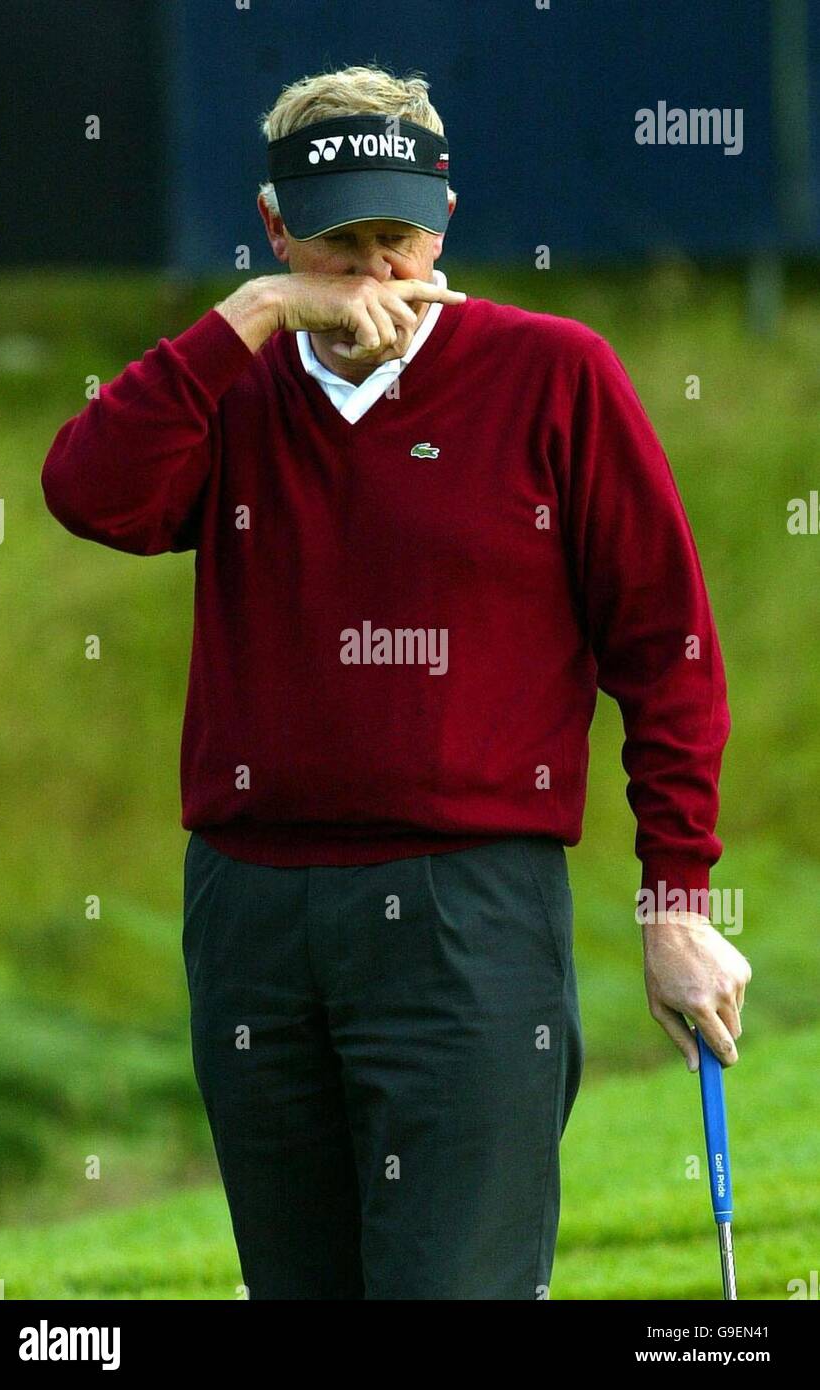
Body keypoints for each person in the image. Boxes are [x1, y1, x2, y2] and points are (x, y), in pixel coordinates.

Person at [41, 62, 751, 1300]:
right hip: (252, 918)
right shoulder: (229, 385)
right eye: (337, 245)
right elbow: (88, 492)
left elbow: (665, 647)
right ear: (274, 231)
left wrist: (674, 900)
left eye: (399, 236)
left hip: (466, 920)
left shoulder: (554, 374)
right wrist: (249, 319)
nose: (375, 275)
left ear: (447, 216)